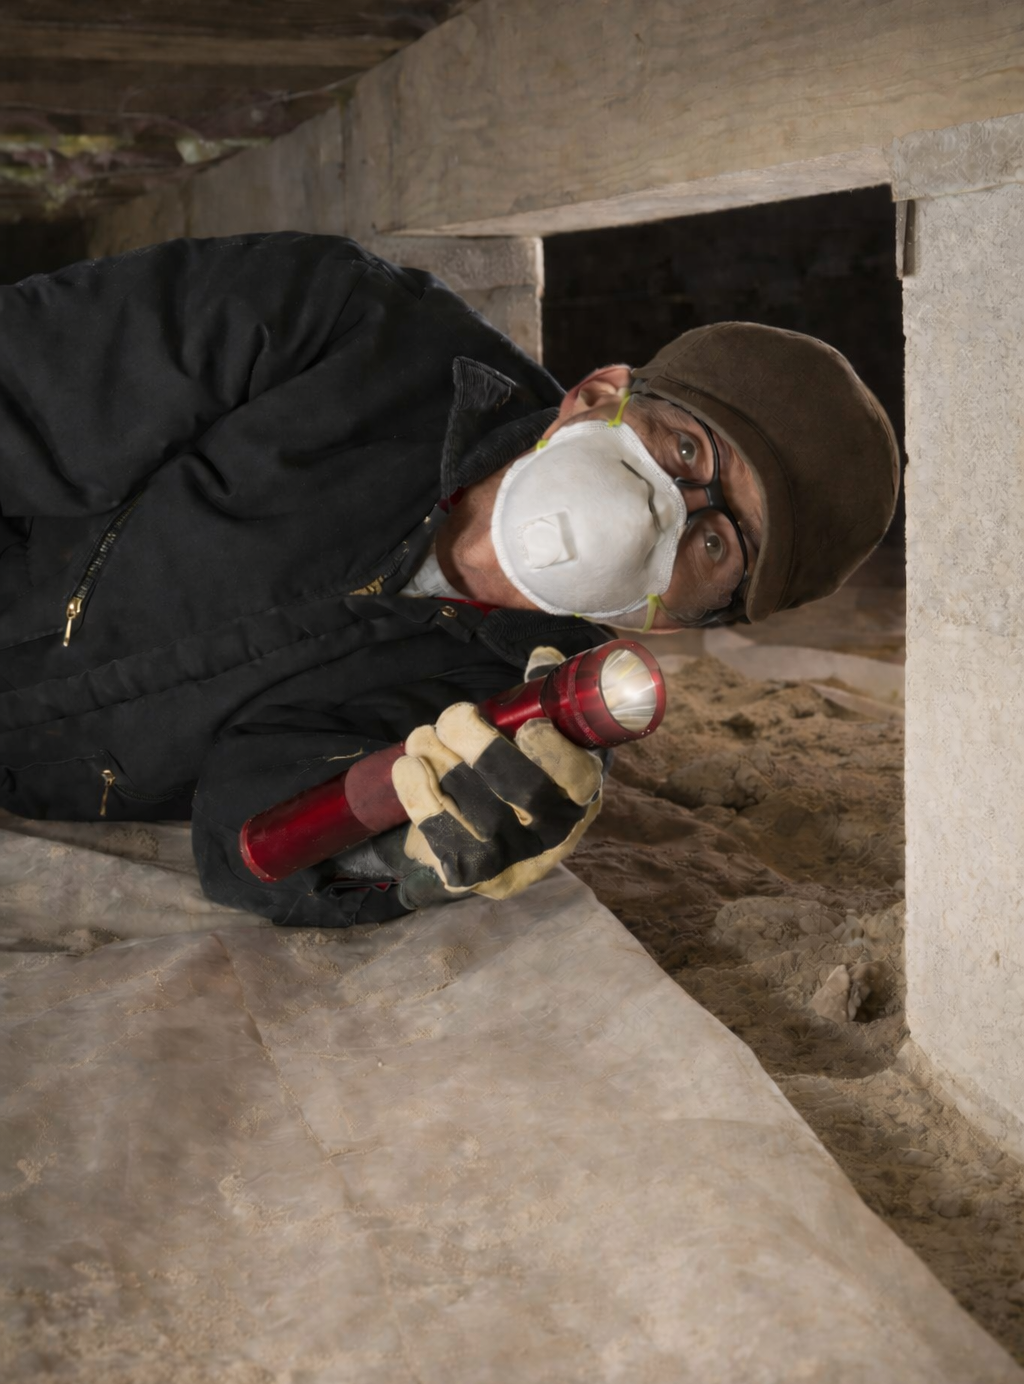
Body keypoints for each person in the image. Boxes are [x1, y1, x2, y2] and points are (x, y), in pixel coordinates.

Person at [0, 233, 899, 926]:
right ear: (595, 395)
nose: (663, 507)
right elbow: (30, 384)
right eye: (686, 449)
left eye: (716, 544)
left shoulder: (516, 723)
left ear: (675, 621)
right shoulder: (344, 323)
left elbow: (245, 837)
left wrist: (393, 853)